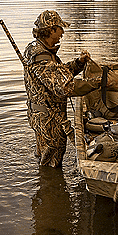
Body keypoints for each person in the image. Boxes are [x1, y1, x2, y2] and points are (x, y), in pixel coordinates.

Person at [21, 10, 96, 168]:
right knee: (51, 165)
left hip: (40, 114)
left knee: (44, 159)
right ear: (51, 30)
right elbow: (65, 86)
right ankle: (51, 189)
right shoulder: (41, 56)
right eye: (60, 28)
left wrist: (79, 63)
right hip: (49, 120)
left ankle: (47, 188)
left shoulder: (38, 50)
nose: (62, 33)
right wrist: (97, 84)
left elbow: (58, 73)